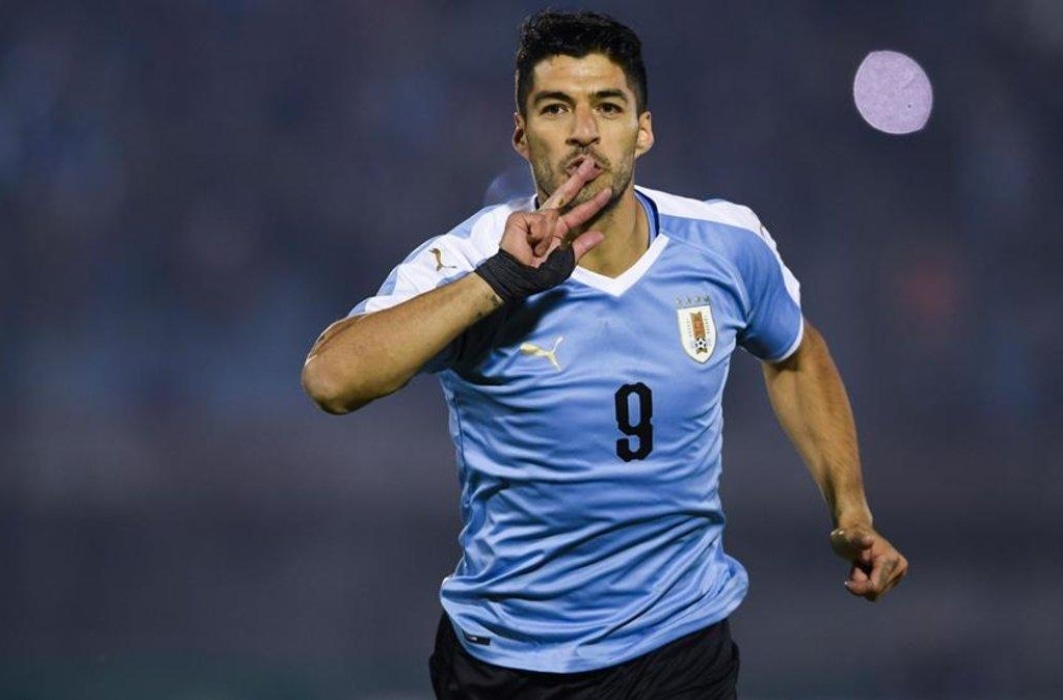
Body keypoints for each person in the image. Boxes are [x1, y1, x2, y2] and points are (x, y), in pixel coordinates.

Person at [302, 9, 907, 699]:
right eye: (556, 108)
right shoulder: (472, 260)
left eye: (608, 107)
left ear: (643, 130)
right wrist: (497, 284)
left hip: (680, 652)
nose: (584, 131)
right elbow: (331, 379)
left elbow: (795, 353)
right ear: (521, 133)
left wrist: (851, 510)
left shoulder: (726, 245)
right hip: (511, 665)